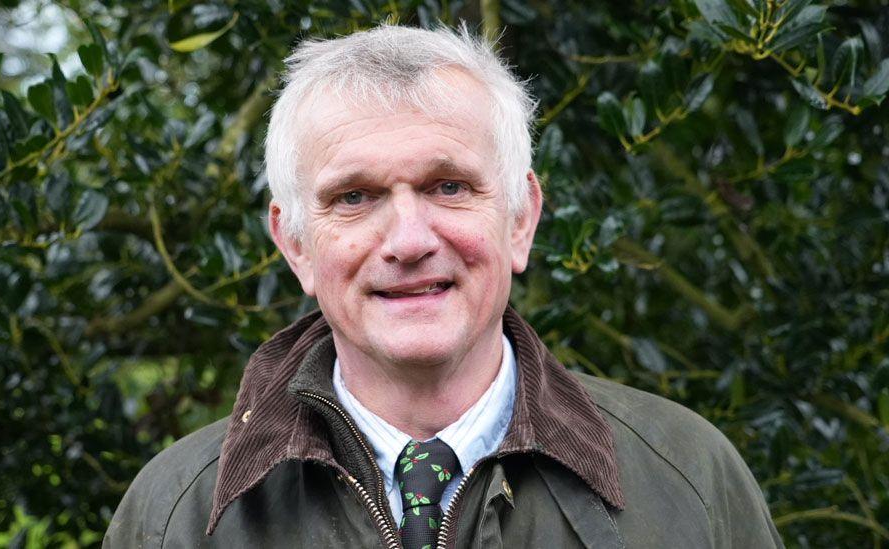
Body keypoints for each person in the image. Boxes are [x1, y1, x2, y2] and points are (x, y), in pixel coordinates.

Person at [103, 24, 783, 548]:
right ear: (296, 244)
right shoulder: (175, 514)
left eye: (449, 186)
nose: (408, 240)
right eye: (355, 196)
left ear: (520, 218)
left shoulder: (689, 480)